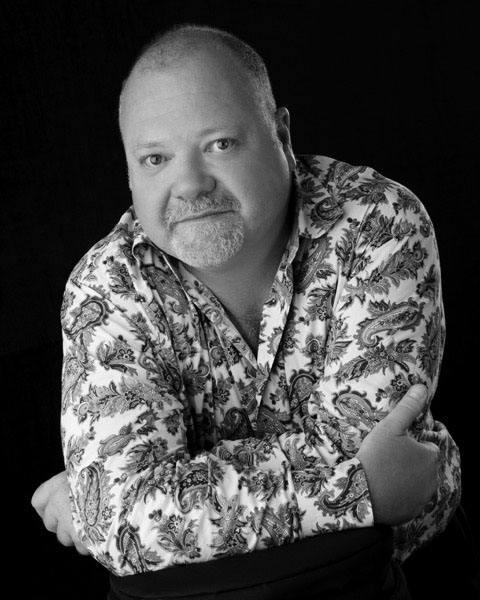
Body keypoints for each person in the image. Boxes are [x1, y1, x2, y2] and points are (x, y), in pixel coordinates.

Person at [32, 24, 461, 599]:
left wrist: (144, 502)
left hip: (389, 579)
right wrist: (359, 487)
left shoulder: (376, 223)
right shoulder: (107, 285)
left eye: (220, 144)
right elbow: (119, 515)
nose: (189, 184)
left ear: (281, 133)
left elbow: (128, 518)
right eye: (155, 158)